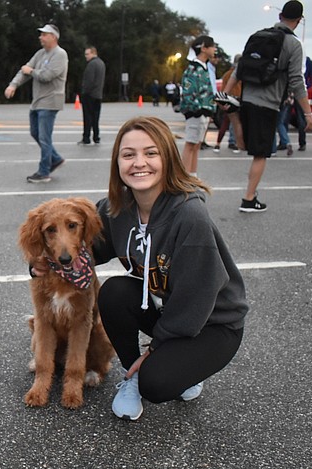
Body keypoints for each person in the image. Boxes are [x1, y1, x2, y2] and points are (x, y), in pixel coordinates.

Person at [94, 116, 248, 420]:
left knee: (157, 383)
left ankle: (178, 369)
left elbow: (196, 300)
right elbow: (87, 247)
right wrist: (47, 262)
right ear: (117, 163)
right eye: (129, 155)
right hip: (173, 311)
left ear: (168, 158)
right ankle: (131, 375)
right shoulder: (117, 209)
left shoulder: (190, 217)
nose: (140, 163)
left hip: (214, 324)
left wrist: (155, 349)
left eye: (151, 153)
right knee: (114, 292)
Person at [223, 0, 312, 212]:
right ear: (299, 21)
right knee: (260, 154)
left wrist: (225, 95)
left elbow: (239, 70)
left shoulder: (257, 36)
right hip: (268, 104)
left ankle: (236, 123)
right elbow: (296, 82)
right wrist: (308, 113)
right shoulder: (293, 45)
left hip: (247, 99)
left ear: (280, 15)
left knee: (248, 145)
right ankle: (249, 198)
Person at [4, 23, 68, 184]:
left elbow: (47, 76)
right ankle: (55, 159)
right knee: (35, 133)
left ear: (53, 37)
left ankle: (44, 172)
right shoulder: (40, 54)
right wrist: (13, 84)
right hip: (37, 102)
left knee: (44, 138)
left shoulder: (60, 55)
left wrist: (31, 71)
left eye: (44, 34)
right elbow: (24, 70)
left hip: (50, 101)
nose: (40, 37)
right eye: (40, 34)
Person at [179, 35, 216, 177]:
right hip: (196, 112)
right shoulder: (193, 68)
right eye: (212, 46)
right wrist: (196, 109)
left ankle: (192, 174)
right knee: (190, 144)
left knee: (196, 144)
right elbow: (188, 91)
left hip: (204, 111)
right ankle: (183, 176)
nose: (214, 49)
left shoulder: (204, 67)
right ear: (203, 48)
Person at [213, 54, 243, 154]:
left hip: (229, 99)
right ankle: (234, 143)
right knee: (235, 123)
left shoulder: (227, 74)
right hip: (236, 100)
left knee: (225, 123)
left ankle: (218, 143)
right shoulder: (240, 74)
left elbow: (223, 88)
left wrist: (222, 100)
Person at [78, 46, 105, 145]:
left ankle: (86, 137)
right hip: (98, 95)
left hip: (89, 95)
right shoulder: (101, 63)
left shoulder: (92, 64)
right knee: (96, 117)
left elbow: (89, 81)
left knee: (87, 117)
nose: (86, 56)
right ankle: (96, 137)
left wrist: (84, 92)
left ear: (93, 53)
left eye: (87, 54)